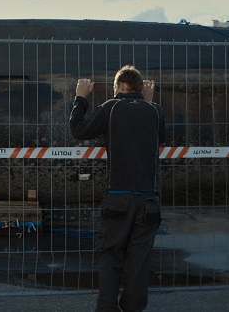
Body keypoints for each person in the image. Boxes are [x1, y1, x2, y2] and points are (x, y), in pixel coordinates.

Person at [69, 65, 165, 312]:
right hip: (149, 200)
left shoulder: (111, 107)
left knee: (110, 257)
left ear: (120, 86)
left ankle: (107, 308)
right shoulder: (155, 111)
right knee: (138, 261)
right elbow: (158, 137)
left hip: (119, 197)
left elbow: (79, 130)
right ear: (139, 88)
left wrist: (80, 98)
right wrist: (148, 102)